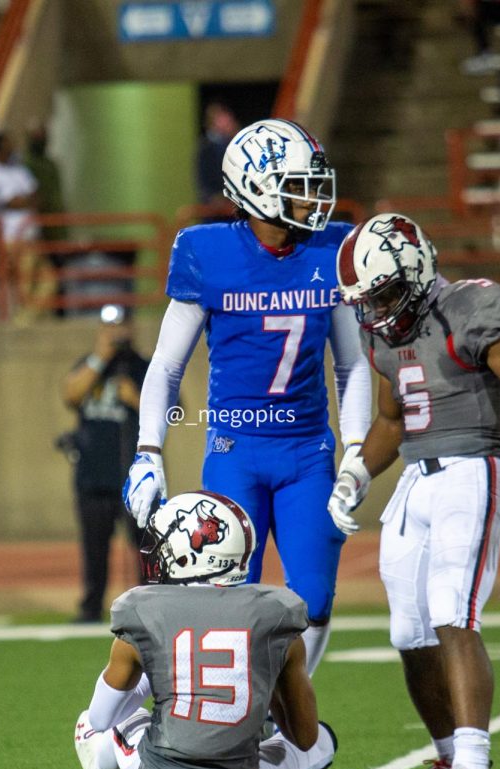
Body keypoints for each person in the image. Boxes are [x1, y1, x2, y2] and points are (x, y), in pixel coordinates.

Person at [328, 214, 500, 769]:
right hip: (415, 477)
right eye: (365, 299)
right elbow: (389, 419)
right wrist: (356, 470)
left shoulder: (471, 308)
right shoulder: (382, 332)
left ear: (414, 271)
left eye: (381, 293)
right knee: (409, 630)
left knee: (453, 613)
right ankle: (448, 759)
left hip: (471, 469)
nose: (375, 310)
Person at [123, 118, 371, 675]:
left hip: (308, 454)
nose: (313, 197)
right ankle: (237, 721)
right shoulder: (206, 251)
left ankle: (286, 719)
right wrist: (148, 451)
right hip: (236, 450)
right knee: (229, 600)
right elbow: (166, 365)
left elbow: (351, 364)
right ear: (257, 189)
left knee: (315, 603)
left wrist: (356, 447)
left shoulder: (333, 249)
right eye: (298, 184)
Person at [74, 490, 337, 769]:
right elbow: (305, 736)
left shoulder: (143, 610)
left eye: (167, 542)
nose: (160, 551)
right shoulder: (277, 614)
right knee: (324, 741)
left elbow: (101, 718)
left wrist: (155, 677)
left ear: (191, 553)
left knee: (112, 722)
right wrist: (263, 673)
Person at [62, 304, 150, 623]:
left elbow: (175, 413)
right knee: (94, 549)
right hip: (93, 475)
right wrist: (100, 358)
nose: (116, 332)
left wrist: (135, 399)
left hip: (136, 478)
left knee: (144, 549)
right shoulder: (90, 364)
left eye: (121, 325)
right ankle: (90, 607)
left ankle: (148, 607)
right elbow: (71, 395)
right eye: (109, 326)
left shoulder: (144, 367)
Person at [0, 129, 55, 320]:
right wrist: (24, 201)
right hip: (13, 237)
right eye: (7, 143)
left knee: (50, 279)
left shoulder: (19, 169)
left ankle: (29, 318)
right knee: (25, 283)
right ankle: (24, 321)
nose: (11, 146)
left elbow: (36, 196)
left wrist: (25, 201)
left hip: (32, 234)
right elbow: (8, 202)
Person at [23, 119, 69, 310]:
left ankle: (59, 312)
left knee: (58, 276)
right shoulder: (27, 164)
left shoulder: (50, 165)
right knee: (34, 280)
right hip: (38, 231)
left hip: (57, 229)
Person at [195, 102, 241, 208]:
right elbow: (204, 185)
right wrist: (216, 198)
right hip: (216, 209)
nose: (227, 121)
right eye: (221, 119)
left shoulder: (238, 143)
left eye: (227, 118)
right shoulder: (206, 148)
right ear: (212, 122)